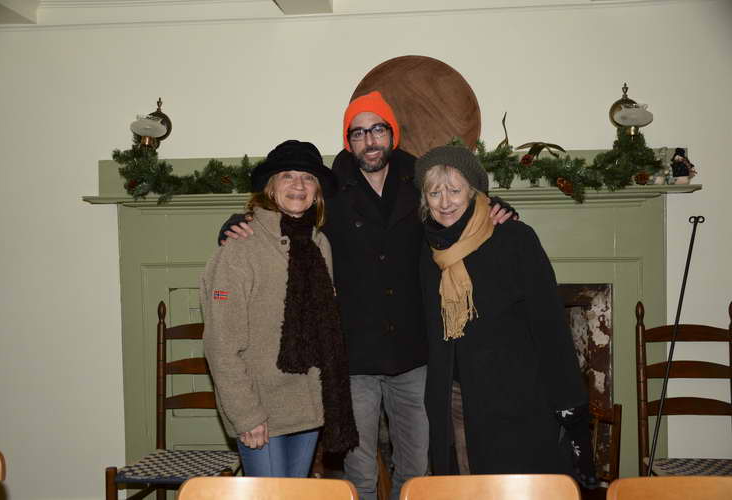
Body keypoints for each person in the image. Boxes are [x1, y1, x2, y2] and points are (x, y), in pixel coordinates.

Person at [217, 92, 514, 499]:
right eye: (358, 133)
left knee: (415, 473)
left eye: (377, 129)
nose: (370, 140)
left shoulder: (420, 181)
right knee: (358, 478)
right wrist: (238, 221)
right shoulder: (329, 189)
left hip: (414, 355)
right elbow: (285, 217)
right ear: (348, 140)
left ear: (393, 133)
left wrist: (493, 206)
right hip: (352, 360)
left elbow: (455, 205)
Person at [414, 145, 592, 478]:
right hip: (455, 399)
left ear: (474, 192)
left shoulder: (515, 238)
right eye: (434, 193)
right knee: (466, 488)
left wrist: (568, 399)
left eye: (455, 190)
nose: (445, 202)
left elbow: (549, 324)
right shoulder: (427, 251)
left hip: (516, 397)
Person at [200, 139, 358, 478]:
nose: (299, 185)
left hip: (307, 408)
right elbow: (220, 344)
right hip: (260, 410)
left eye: (308, 178)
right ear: (270, 188)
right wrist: (246, 414)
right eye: (288, 175)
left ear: (317, 192)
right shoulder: (240, 249)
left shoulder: (320, 244)